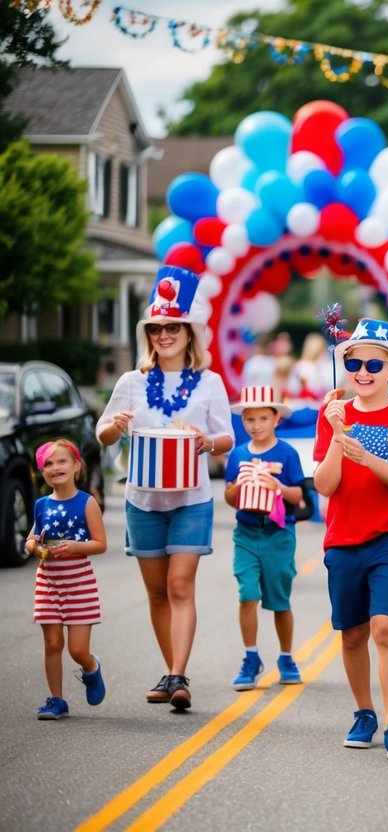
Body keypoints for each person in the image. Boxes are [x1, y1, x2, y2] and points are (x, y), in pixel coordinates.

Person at [96, 266, 234, 711]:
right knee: (156, 592)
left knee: (179, 586)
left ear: (190, 332)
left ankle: (177, 675)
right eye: (156, 328)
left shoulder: (210, 383)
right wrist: (114, 426)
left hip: (192, 498)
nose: (163, 335)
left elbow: (227, 438)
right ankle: (170, 669)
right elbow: (102, 432)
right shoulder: (131, 381)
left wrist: (207, 441)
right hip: (142, 499)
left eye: (172, 326)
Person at [314, 318, 388, 761]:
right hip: (343, 539)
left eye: (373, 364)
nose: (363, 371)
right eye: (354, 362)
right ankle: (363, 713)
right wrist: (339, 436)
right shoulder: (334, 415)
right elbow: (324, 486)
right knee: (351, 633)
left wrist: (369, 456)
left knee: (385, 626)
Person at [223, 386, 309, 691]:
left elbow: (300, 496)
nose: (256, 425)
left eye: (262, 418)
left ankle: (286, 657)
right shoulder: (238, 454)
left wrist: (276, 486)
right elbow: (230, 497)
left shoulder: (287, 453)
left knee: (279, 600)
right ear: (243, 422)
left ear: (276, 419)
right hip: (246, 532)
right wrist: (240, 484)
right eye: (249, 419)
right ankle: (251, 657)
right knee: (247, 594)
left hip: (278, 533)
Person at [26, 440, 108, 719]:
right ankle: (56, 700)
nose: (55, 467)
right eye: (47, 464)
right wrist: (32, 546)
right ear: (42, 472)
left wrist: (75, 546)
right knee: (52, 643)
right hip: (47, 582)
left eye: (61, 461)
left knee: (77, 649)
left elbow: (100, 544)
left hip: (79, 584)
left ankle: (91, 668)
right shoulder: (41, 504)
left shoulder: (87, 502)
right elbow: (34, 536)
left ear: (76, 466)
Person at [287, 332, 331, 403]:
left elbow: (291, 388)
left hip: (304, 404)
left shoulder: (299, 365)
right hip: (309, 404)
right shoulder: (307, 366)